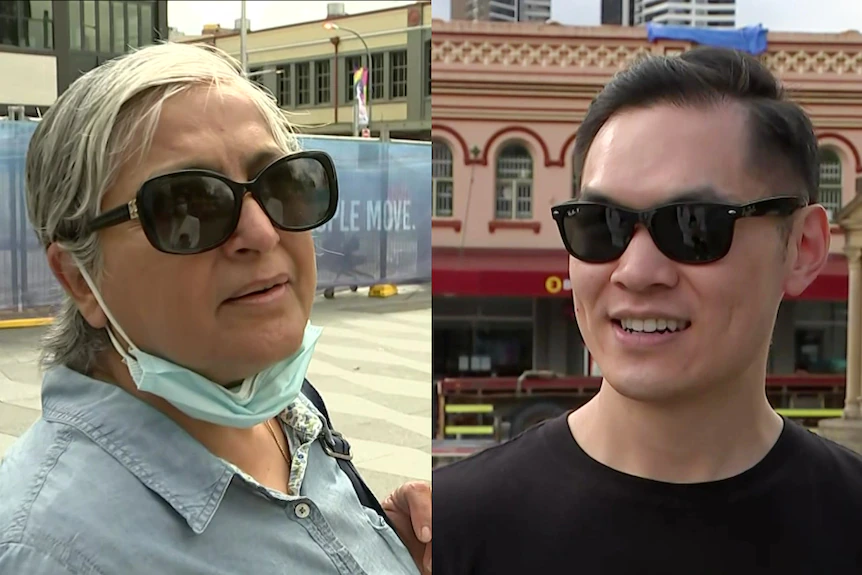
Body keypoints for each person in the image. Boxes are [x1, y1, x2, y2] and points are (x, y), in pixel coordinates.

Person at [0, 42, 431, 575]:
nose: (261, 231)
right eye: (192, 204)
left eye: (283, 184)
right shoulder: (48, 551)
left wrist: (380, 548)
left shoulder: (287, 404)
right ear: (79, 278)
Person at [434, 47, 862, 574]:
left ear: (803, 248)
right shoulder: (449, 532)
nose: (635, 271)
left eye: (693, 225)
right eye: (600, 224)